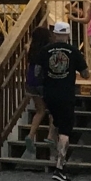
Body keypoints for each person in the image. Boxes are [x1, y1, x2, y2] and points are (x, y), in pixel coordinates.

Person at [33, 21, 86, 181]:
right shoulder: (74, 51)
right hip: (66, 94)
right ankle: (60, 167)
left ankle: (55, 158)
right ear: (68, 34)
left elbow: (36, 72)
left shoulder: (45, 50)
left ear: (55, 34)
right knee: (65, 130)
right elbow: (85, 73)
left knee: (56, 123)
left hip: (49, 95)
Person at [21, 24, 53, 153]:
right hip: (43, 82)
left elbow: (27, 45)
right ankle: (50, 136)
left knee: (40, 111)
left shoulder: (30, 49)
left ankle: (30, 135)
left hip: (31, 82)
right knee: (53, 110)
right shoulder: (48, 50)